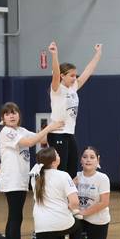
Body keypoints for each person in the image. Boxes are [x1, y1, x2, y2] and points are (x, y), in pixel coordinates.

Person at [0, 102, 63, 239]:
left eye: (14, 112)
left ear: (19, 115)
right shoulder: (7, 132)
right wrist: (49, 126)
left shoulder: (21, 130)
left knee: (15, 216)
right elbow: (30, 142)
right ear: (3, 118)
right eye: (7, 114)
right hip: (12, 180)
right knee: (15, 216)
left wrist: (59, 131)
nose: (12, 116)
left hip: (20, 180)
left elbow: (42, 138)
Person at [47, 41, 103, 177]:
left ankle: (69, 197)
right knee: (60, 171)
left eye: (75, 75)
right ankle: (58, 198)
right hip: (58, 134)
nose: (74, 78)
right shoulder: (57, 89)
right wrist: (54, 55)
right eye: (71, 75)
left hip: (69, 134)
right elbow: (55, 73)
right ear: (62, 76)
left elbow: (87, 72)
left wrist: (98, 54)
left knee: (71, 171)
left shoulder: (73, 87)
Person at [30, 148, 80, 239]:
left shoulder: (35, 176)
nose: (59, 155)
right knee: (78, 222)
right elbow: (74, 202)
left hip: (41, 225)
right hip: (61, 222)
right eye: (57, 154)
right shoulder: (64, 175)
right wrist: (68, 209)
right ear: (54, 162)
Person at [68, 147, 111, 239]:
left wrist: (84, 212)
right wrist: (71, 185)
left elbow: (104, 203)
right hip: (79, 218)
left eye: (92, 157)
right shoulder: (75, 177)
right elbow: (66, 198)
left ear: (98, 160)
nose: (88, 160)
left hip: (98, 219)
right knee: (75, 224)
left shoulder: (102, 178)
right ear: (81, 160)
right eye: (85, 157)